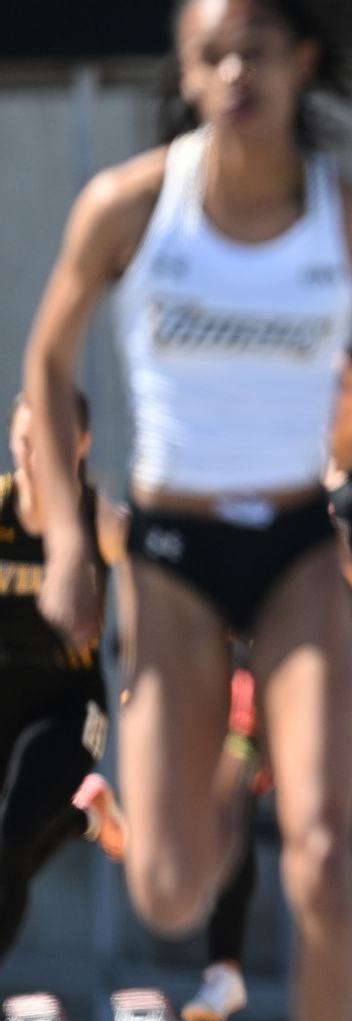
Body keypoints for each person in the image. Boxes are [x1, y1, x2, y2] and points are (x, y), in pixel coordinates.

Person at [21, 2, 352, 1021]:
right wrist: (64, 545)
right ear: (187, 74)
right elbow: (47, 368)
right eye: (213, 53)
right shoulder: (129, 208)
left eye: (257, 49)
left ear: (302, 61)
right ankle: (218, 802)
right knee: (166, 890)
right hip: (170, 551)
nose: (237, 69)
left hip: (296, 544)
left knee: (328, 859)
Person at [182, 346, 352, 1021]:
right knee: (223, 804)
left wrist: (345, 566)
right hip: (261, 675)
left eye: (342, 385)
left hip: (344, 681)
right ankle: (223, 970)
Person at [0, 391, 127, 968]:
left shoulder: (100, 522)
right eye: (26, 440)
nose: (34, 456)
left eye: (49, 444)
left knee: (12, 836)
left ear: (81, 446)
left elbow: (163, 589)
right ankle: (84, 819)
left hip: (70, 703)